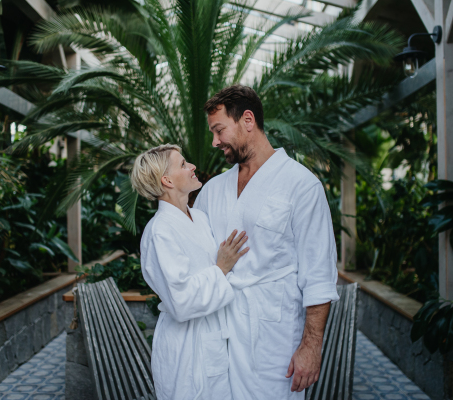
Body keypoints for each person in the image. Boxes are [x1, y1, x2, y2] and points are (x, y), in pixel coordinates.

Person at [194, 85, 340, 400]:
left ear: (248, 120)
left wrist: (311, 347)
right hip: (218, 336)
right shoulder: (213, 190)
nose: (214, 141)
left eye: (219, 130)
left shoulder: (302, 186)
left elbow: (318, 276)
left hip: (273, 339)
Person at [131, 144, 248, 400]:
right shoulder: (160, 231)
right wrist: (221, 269)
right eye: (183, 164)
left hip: (212, 341)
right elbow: (181, 301)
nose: (192, 166)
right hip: (185, 349)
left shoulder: (200, 218)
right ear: (167, 180)